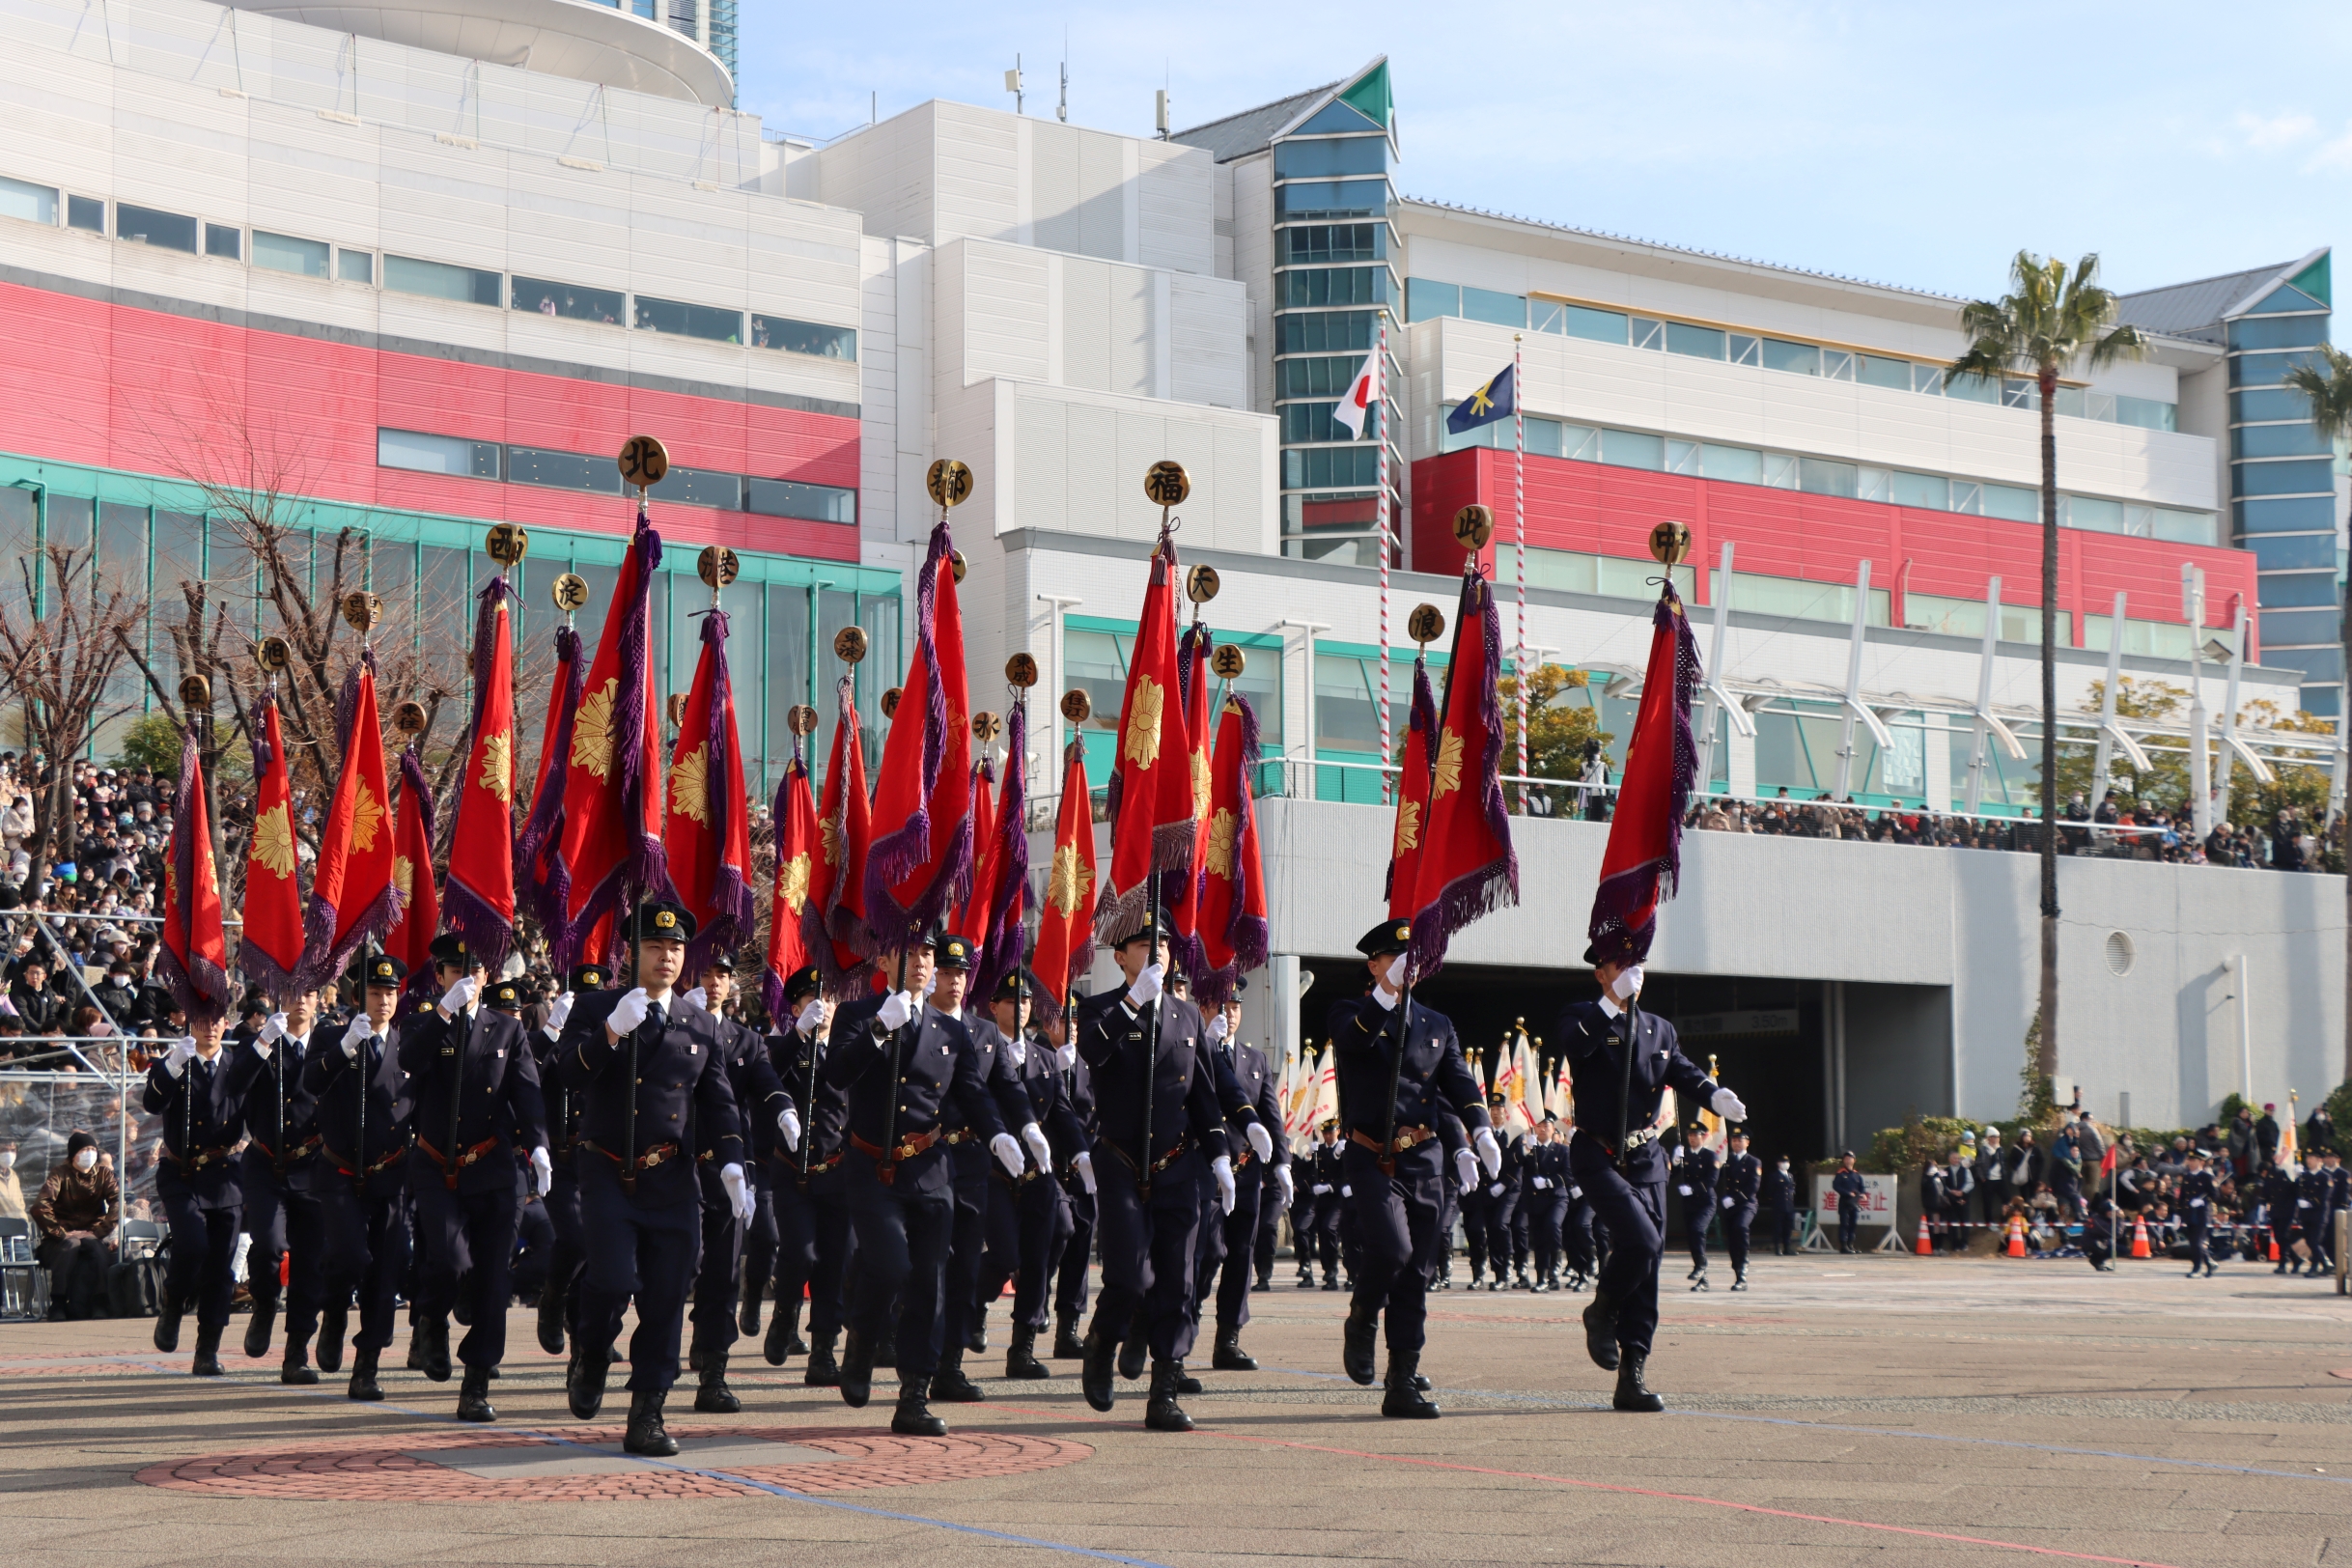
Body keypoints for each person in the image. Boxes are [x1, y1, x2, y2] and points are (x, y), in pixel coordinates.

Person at [558, 900, 747, 1454]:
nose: (667, 956)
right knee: (614, 1280)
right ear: (631, 952)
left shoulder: (699, 1022)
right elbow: (566, 1073)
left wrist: (734, 1158)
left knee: (667, 1296)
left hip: (671, 1176)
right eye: (654, 946)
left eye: (676, 948)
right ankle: (591, 1353)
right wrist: (610, 1035)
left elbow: (717, 1099)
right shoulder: (597, 1008)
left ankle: (648, 1412)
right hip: (608, 1168)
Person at [1077, 910, 1267, 1431]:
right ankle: (1101, 1341)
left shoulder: (1185, 1017)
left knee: (1179, 1283)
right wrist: (1134, 1002)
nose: (1156, 952)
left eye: (1162, 943)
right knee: (1130, 1277)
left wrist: (1224, 1150)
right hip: (1120, 1161)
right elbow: (1092, 1052)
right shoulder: (1099, 1008)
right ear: (1120, 958)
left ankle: (1164, 1390)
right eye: (1143, 945)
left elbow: (1204, 1091)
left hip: (1178, 1165)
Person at [824, 927, 1019, 1436]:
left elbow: (975, 1094)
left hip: (930, 1169)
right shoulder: (858, 1015)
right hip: (872, 1166)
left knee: (928, 1285)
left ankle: (913, 1394)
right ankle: (863, 1339)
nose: (920, 962)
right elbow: (836, 1076)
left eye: (928, 954)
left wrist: (1001, 1136)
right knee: (889, 1265)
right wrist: (878, 1033)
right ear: (887, 958)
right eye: (910, 952)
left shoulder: (950, 1030)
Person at [1328, 919, 1500, 1418]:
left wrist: (1479, 1130)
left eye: (1409, 962)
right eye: (1391, 960)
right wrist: (1384, 993)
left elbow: (1459, 1083)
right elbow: (1356, 1041)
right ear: (1374, 964)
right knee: (1393, 1248)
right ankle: (1362, 1315)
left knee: (1418, 1272)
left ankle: (1402, 1377)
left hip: (1424, 1157)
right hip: (1371, 1154)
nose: (1404, 969)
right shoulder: (1350, 1013)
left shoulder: (1436, 1023)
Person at [1560, 950, 1742, 1413]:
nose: (1632, 975)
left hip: (1646, 1155)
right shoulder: (1582, 1016)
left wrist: (1713, 1094)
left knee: (1649, 1264)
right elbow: (1578, 1046)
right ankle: (1600, 1310)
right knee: (1640, 1242)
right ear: (1601, 974)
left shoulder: (1658, 1027)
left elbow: (1679, 1069)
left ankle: (1633, 1372)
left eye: (1635, 966)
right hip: (1599, 1152)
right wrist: (1611, 1003)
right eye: (1620, 967)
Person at [402, 932, 550, 1423]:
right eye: (453, 971)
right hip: (436, 1162)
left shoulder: (506, 1030)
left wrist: (540, 1145)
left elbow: (526, 1093)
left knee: (492, 1279)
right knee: (448, 1258)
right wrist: (444, 1012)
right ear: (440, 976)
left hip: (492, 1165)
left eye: (475, 970)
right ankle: (431, 1318)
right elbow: (409, 1062)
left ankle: (477, 1382)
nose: (466, 978)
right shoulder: (426, 1024)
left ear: (487, 977)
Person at [928, 934, 1051, 1407]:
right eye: (945, 970)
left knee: (963, 1266)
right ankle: (905, 1344)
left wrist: (1026, 1128)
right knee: (927, 1262)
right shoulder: (917, 1024)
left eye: (961, 973)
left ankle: (949, 1365)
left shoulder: (982, 1033)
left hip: (974, 1160)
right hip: (925, 1157)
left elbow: (1007, 1086)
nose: (954, 980)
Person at [679, 949, 792, 1414]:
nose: (713, 981)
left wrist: (783, 1104)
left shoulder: (744, 1040)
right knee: (678, 1265)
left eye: (721, 974)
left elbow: (764, 1080)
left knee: (723, 1271)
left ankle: (714, 1369)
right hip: (674, 1167)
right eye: (705, 972)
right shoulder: (667, 1028)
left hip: (726, 1170)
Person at [305, 952, 415, 1401]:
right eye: (374, 992)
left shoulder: (408, 1044)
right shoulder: (331, 1036)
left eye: (390, 993)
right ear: (358, 995)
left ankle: (366, 1365)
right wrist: (344, 1049)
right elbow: (310, 1082)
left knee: (385, 1271)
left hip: (389, 1174)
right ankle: (332, 1312)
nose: (383, 1000)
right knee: (351, 1256)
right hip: (340, 1169)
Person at [975, 966, 1086, 1380]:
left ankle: (1022, 1348)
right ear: (993, 1007)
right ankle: (976, 1303)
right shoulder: (981, 1047)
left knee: (1056, 1233)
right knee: (1007, 1254)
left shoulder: (1043, 1057)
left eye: (1024, 1001)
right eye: (1010, 1000)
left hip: (1037, 1172)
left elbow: (1062, 1115)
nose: (1019, 1007)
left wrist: (1080, 1154)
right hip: (994, 1171)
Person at [225, 988, 330, 1383]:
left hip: (314, 1166)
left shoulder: (330, 1042)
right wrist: (265, 1041)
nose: (299, 1000)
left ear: (320, 999)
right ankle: (265, 1302)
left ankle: (297, 1351)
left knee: (309, 1263)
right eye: (291, 992)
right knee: (268, 1244)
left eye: (309, 992)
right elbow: (234, 1085)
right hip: (266, 1163)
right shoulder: (258, 1043)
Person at [761, 966, 853, 1386]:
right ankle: (784, 1316)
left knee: (835, 1261)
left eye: (829, 999)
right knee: (801, 1252)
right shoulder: (781, 1046)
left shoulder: (847, 1052)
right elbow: (766, 1078)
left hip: (836, 1171)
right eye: (812, 1002)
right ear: (796, 1008)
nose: (823, 1008)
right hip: (791, 1171)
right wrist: (798, 1036)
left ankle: (823, 1352)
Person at [1193, 976, 1290, 1374]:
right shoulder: (1193, 1053)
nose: (1228, 1014)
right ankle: (1183, 1322)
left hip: (1246, 1172)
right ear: (1203, 1010)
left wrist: (1282, 1161)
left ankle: (1228, 1339)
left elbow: (1270, 1114)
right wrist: (1206, 1048)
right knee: (1207, 1253)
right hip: (1204, 1171)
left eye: (1234, 1007)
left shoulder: (1255, 1059)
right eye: (1219, 1006)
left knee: (1240, 1256)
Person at [144, 1012, 244, 1374]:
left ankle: (208, 1349)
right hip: (181, 1172)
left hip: (223, 1174)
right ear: (190, 1025)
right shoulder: (175, 1064)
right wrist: (172, 1065)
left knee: (221, 1269)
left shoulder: (236, 1066)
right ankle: (173, 1302)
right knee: (191, 1245)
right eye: (203, 1020)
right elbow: (151, 1103)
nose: (211, 1027)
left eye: (218, 1019)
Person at [533, 963, 604, 1364]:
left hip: (597, 1158)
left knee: (597, 1253)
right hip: (558, 1160)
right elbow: (524, 1069)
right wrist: (551, 1034)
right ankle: (553, 1296)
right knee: (576, 1238)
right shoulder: (556, 1036)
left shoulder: (609, 1035)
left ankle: (583, 1345)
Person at [29, 1129, 117, 1318]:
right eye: (84, 1150)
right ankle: (58, 1304)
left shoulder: (104, 1175)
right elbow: (39, 1206)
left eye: (93, 1149)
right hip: (59, 1239)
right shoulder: (59, 1174)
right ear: (73, 1155)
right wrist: (60, 1233)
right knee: (70, 1245)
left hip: (93, 1234)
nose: (90, 1154)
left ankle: (100, 1303)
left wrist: (99, 1232)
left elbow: (117, 1203)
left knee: (97, 1248)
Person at [1522, 1117, 1570, 1291]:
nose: (1542, 1129)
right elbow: (1517, 1165)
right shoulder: (1530, 1150)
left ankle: (1554, 1273)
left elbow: (1569, 1175)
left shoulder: (1562, 1150)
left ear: (1553, 1129)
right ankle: (1542, 1277)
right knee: (1539, 1237)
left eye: (1546, 1126)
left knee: (1553, 1225)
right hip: (1536, 1199)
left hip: (1556, 1197)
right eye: (1539, 1126)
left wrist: (1549, 1182)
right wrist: (1526, 1148)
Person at [1298, 1121, 1343, 1289]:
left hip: (1337, 1199)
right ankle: (1329, 1273)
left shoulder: (1343, 1149)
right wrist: (1309, 1155)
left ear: (1338, 1131)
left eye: (1331, 1132)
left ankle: (1334, 1271)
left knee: (1328, 1229)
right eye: (1325, 1133)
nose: (1327, 1136)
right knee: (1322, 1236)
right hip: (1321, 1200)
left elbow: (1346, 1174)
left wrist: (1331, 1186)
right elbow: (1305, 1171)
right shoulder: (1320, 1150)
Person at [1671, 1123, 1717, 1288]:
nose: (1692, 1138)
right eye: (1690, 1135)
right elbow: (1671, 1175)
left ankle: (1700, 1266)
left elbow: (1712, 1180)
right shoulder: (1685, 1155)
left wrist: (1693, 1189)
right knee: (1692, 1238)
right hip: (1689, 1203)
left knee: (1698, 1230)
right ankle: (1702, 1278)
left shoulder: (1710, 1156)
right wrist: (1675, 1161)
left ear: (1703, 1137)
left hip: (1705, 1201)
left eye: (1695, 1135)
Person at [1718, 1129, 1760, 1289]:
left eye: (1740, 1140)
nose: (1736, 1143)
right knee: (1732, 1239)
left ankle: (1743, 1269)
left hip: (1746, 1204)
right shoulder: (1727, 1160)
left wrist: (1734, 1199)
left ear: (1747, 1142)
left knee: (1741, 1228)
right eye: (1734, 1140)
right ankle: (1737, 1272)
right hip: (1729, 1206)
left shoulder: (1753, 1162)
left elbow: (1753, 1187)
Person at [2177, 1150, 2219, 1278]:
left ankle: (2197, 1268)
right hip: (2190, 1214)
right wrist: (2178, 1213)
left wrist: (2202, 1200)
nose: (2191, 1163)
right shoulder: (2187, 1177)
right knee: (2193, 1242)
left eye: (2194, 1160)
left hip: (2201, 1214)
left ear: (2201, 1162)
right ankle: (2210, 1263)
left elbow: (2216, 1195)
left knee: (2197, 1242)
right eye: (2190, 1160)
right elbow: (2182, 1197)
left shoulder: (2207, 1177)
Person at [1761, 1153, 1797, 1256]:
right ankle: (1777, 1247)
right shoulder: (1774, 1176)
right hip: (1778, 1205)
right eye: (1783, 1162)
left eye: (1787, 1162)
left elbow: (1792, 1189)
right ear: (1778, 1163)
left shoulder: (1790, 1176)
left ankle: (1787, 1247)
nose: (1785, 1164)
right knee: (1778, 1228)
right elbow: (1769, 1191)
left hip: (1789, 1205)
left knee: (1788, 1227)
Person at [1831, 1153, 1865, 1253]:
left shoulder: (1856, 1174)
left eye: (1850, 1158)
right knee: (1844, 1224)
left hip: (1854, 1203)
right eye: (1846, 1159)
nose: (1848, 1160)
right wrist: (1847, 1193)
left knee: (1853, 1224)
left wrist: (1863, 1194)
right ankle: (1843, 1246)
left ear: (1854, 1160)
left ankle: (1851, 1245)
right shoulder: (1840, 1173)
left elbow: (1862, 1187)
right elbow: (1836, 1186)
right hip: (1845, 1202)